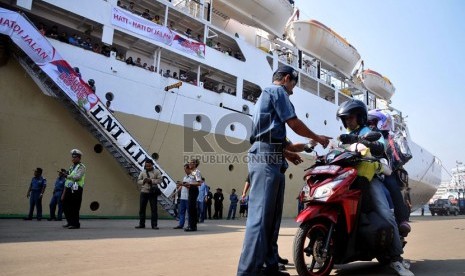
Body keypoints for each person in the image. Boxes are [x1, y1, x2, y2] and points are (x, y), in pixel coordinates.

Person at [237, 65, 330, 276]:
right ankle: (248, 272)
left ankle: (269, 267)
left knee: (271, 219)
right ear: (287, 78)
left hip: (273, 156)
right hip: (266, 157)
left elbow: (276, 139)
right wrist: (318, 138)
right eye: (293, 85)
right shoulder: (277, 91)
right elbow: (294, 124)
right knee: (260, 218)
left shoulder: (268, 98)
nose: (292, 91)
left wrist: (295, 151)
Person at [336, 100, 413, 276]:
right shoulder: (344, 136)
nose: (348, 121)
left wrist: (365, 142)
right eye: (345, 118)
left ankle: (396, 259)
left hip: (368, 179)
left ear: (360, 117)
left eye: (351, 117)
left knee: (385, 214)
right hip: (347, 179)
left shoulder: (368, 132)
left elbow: (380, 146)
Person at [367, 109, 411, 236]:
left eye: (373, 122)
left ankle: (402, 220)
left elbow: (398, 156)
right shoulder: (365, 134)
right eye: (368, 122)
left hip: (384, 170)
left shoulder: (389, 137)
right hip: (366, 167)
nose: (370, 125)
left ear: (383, 123)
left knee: (392, 185)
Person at [62, 149, 86, 229]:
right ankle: (69, 222)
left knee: (74, 207)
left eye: (74, 157)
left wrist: (67, 176)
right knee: (66, 205)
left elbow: (78, 177)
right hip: (69, 188)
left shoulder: (81, 167)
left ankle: (75, 224)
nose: (72, 158)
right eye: (72, 157)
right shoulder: (71, 167)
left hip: (77, 189)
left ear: (79, 158)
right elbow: (68, 179)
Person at [135, 159, 162, 229]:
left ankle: (154, 225)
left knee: (154, 209)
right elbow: (138, 181)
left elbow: (160, 180)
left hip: (152, 192)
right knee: (142, 209)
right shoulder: (143, 172)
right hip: (144, 192)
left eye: (149, 166)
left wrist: (151, 181)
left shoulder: (157, 171)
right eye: (146, 166)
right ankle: (141, 224)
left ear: (152, 165)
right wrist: (144, 181)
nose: (148, 167)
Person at [185, 159, 202, 231]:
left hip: (194, 190)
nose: (190, 164)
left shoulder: (196, 172)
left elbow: (199, 183)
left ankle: (192, 226)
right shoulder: (191, 172)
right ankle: (191, 225)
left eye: (192, 163)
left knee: (191, 209)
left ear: (195, 164)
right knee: (190, 209)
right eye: (189, 163)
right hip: (190, 189)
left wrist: (189, 184)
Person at [174, 164, 191, 229]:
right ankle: (181, 224)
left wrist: (183, 184)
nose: (185, 171)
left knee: (189, 212)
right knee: (181, 211)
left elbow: (190, 186)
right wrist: (176, 192)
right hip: (182, 197)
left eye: (185, 169)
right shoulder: (185, 177)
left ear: (189, 169)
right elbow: (182, 186)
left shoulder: (191, 177)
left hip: (188, 197)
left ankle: (189, 224)